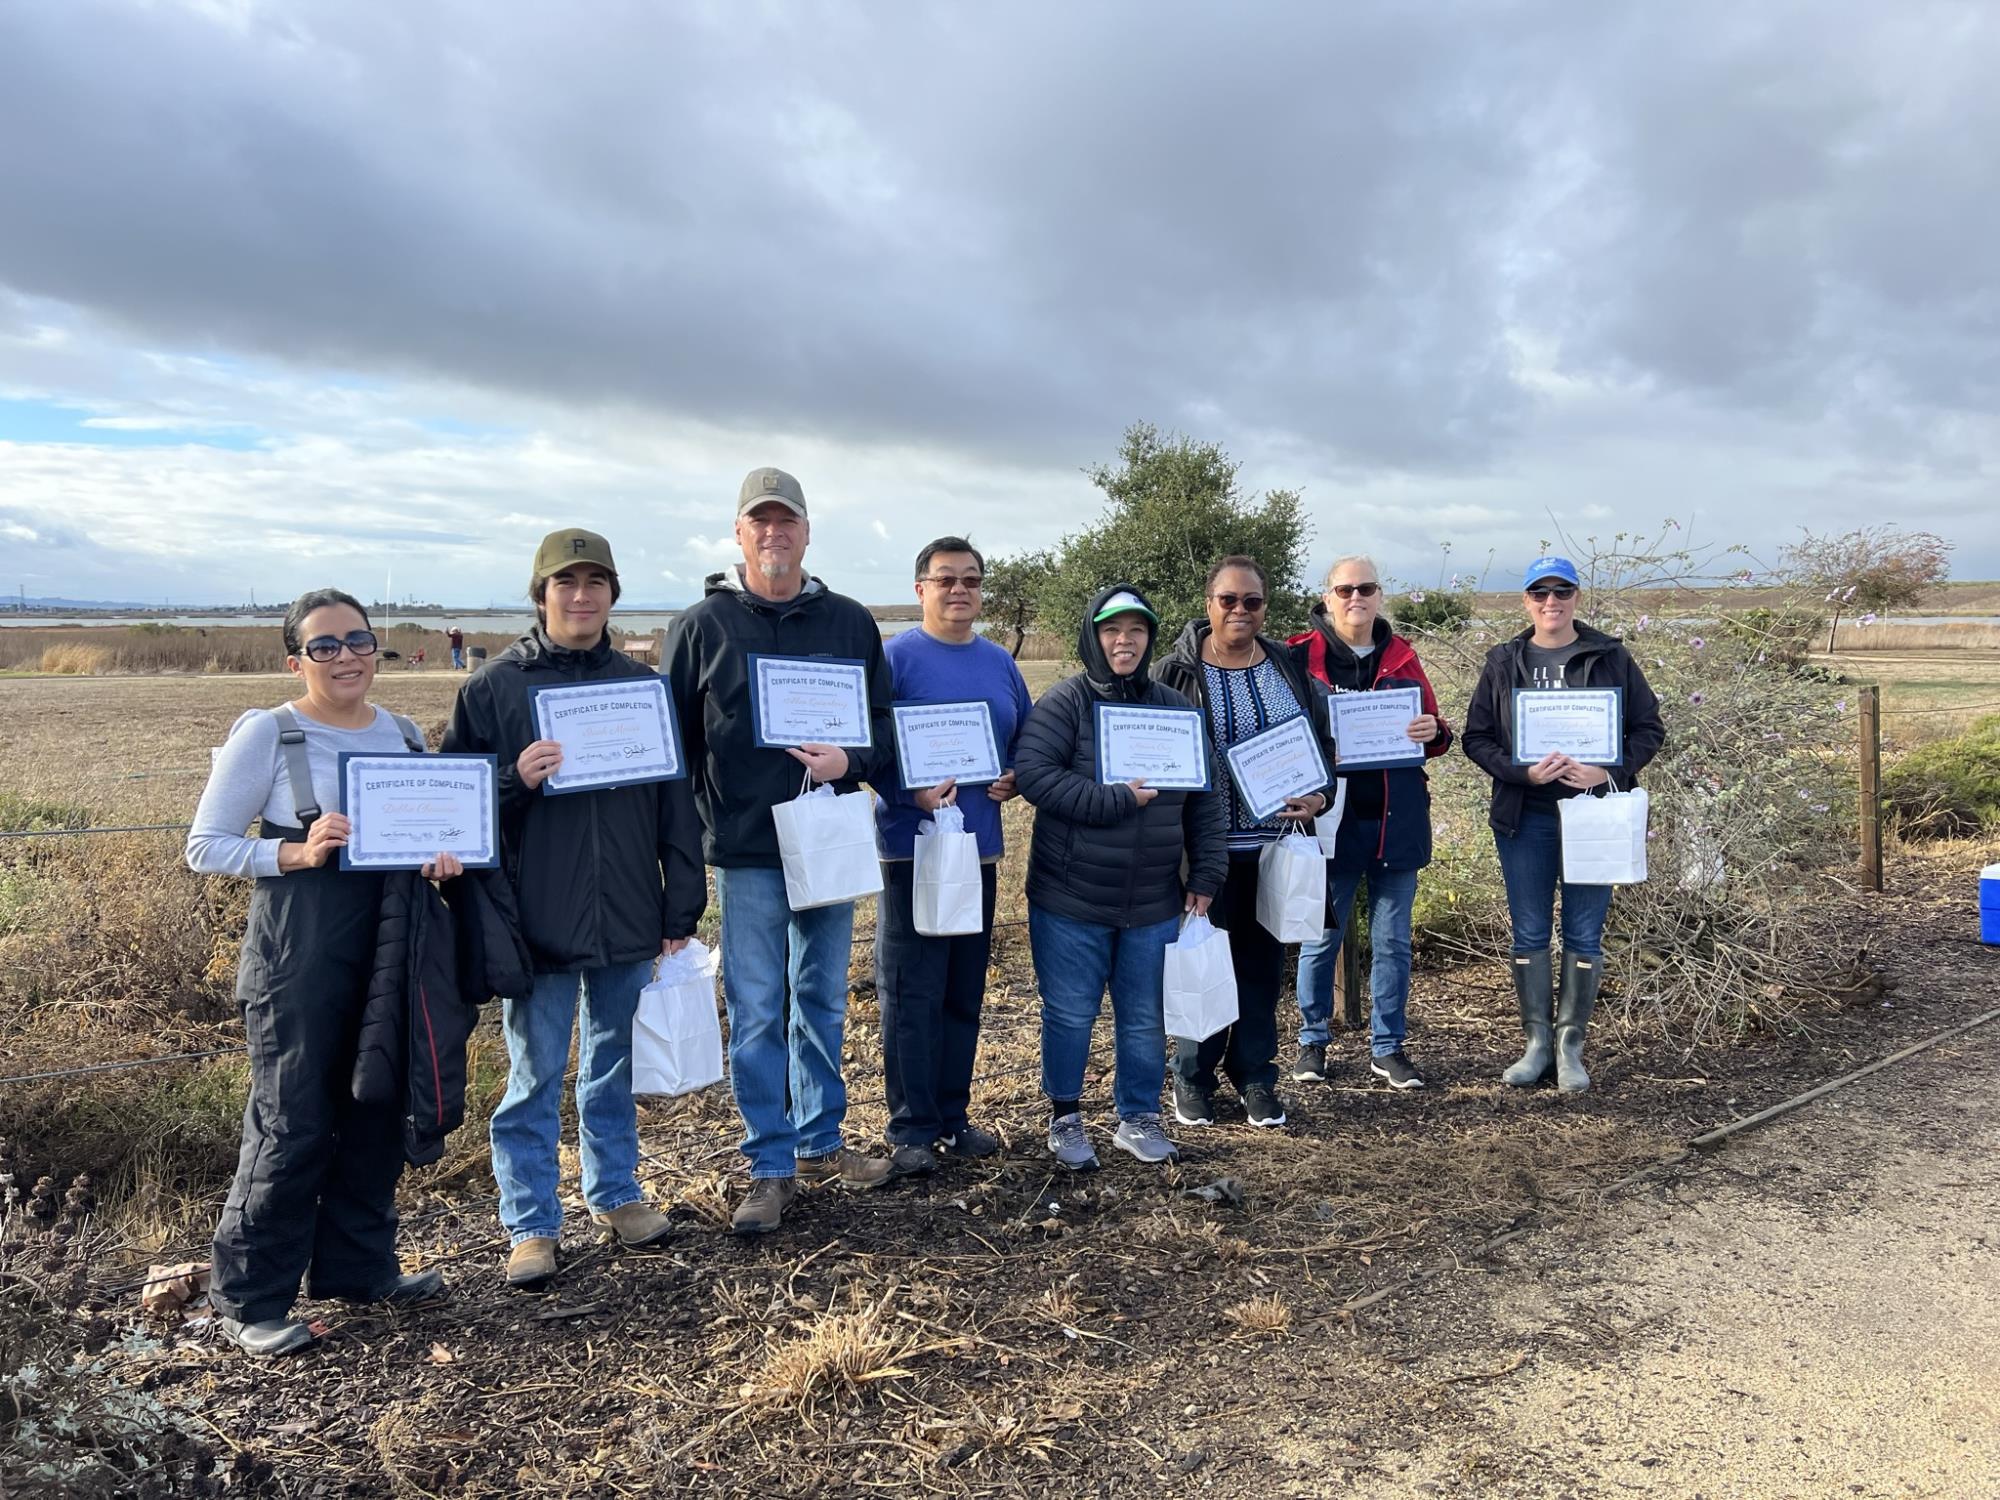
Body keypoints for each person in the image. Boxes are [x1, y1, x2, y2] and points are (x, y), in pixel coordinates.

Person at [187, 588, 459, 1354]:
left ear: (378, 649)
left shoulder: (404, 735)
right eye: (324, 646)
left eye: (358, 641)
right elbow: (204, 844)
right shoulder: (270, 733)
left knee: (376, 1104)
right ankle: (250, 1299)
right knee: (293, 1119)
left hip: (391, 941)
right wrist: (296, 852)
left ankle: (358, 1269)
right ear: (295, 659)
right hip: (296, 954)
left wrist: (443, 860)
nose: (345, 657)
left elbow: (435, 834)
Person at [443, 529, 705, 1288]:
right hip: (537, 920)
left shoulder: (640, 687)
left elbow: (674, 804)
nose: (581, 595)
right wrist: (512, 779)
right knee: (533, 1073)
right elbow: (454, 809)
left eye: (596, 582)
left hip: (628, 911)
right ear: (541, 594)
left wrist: (679, 904)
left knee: (611, 1065)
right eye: (566, 582)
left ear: (612, 596)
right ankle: (531, 1223)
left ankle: (617, 1193)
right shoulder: (493, 688)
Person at [662, 467, 897, 1235]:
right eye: (759, 522)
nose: (774, 534)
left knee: (823, 999)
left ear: (805, 530)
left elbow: (881, 729)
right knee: (760, 1009)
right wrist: (692, 841)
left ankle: (821, 1139)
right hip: (747, 849)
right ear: (738, 534)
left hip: (826, 840)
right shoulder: (702, 626)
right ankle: (769, 1163)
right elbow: (676, 747)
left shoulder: (851, 623)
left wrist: (850, 765)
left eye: (786, 521)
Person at [1015, 584, 1227, 1170]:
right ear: (1094, 636)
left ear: (1149, 637)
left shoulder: (1175, 709)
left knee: (1143, 1017)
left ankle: (1137, 1117)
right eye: (1112, 630)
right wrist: (1114, 800)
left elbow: (1206, 799)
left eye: (1135, 630)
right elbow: (1035, 775)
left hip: (1154, 900)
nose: (1124, 640)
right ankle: (1065, 1117)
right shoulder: (1066, 703)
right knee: (1069, 1013)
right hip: (1069, 898)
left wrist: (1207, 872)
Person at [1461, 555, 1666, 1092]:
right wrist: (1520, 773)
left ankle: (1571, 1045)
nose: (1551, 602)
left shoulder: (1610, 656)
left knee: (1583, 933)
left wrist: (1610, 767)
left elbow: (1648, 727)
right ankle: (1536, 1045)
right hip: (1524, 818)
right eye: (1539, 592)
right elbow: (1476, 738)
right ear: (1525, 601)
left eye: (1562, 591)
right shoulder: (1504, 661)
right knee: (1529, 932)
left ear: (1577, 597)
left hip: (1591, 816)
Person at [873, 537, 1035, 1175]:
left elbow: (1026, 736)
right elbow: (869, 748)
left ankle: (953, 1116)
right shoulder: (894, 660)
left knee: (963, 990)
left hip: (979, 849)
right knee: (913, 990)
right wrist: (904, 790)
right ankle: (910, 1127)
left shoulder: (999, 662)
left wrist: (1017, 773)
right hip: (911, 849)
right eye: (946, 580)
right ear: (921, 590)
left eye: (970, 580)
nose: (959, 590)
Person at [1157, 556, 1333, 1129]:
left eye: (1251, 601)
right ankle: (1193, 1077)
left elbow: (1322, 748)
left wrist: (1320, 798)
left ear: (1265, 607)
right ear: (1208, 604)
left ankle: (1256, 1075)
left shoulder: (1287, 667)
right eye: (1228, 600)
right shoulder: (1174, 674)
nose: (1240, 610)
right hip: (1203, 852)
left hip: (1277, 849)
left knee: (1262, 970)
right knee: (1202, 964)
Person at [1287, 555, 1453, 1091]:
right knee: (1318, 938)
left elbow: (1434, 732)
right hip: (1327, 819)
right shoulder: (1296, 655)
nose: (1355, 597)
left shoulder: (1404, 657)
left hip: (1394, 818)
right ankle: (1311, 1044)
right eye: (1345, 589)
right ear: (1327, 596)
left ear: (1380, 596)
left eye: (1367, 588)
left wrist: (1434, 730)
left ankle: (1388, 1047)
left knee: (1393, 941)